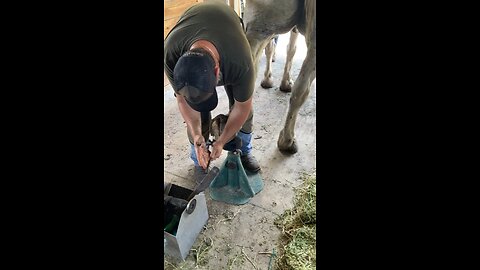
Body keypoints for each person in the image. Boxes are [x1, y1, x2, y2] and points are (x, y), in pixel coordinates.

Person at [164, 1, 260, 183]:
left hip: (227, 25)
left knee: (243, 109)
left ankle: (245, 151)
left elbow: (243, 107)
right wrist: (197, 135)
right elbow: (182, 101)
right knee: (199, 118)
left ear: (217, 71)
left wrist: (222, 140)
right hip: (193, 21)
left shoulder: (240, 62)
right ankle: (198, 157)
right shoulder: (170, 54)